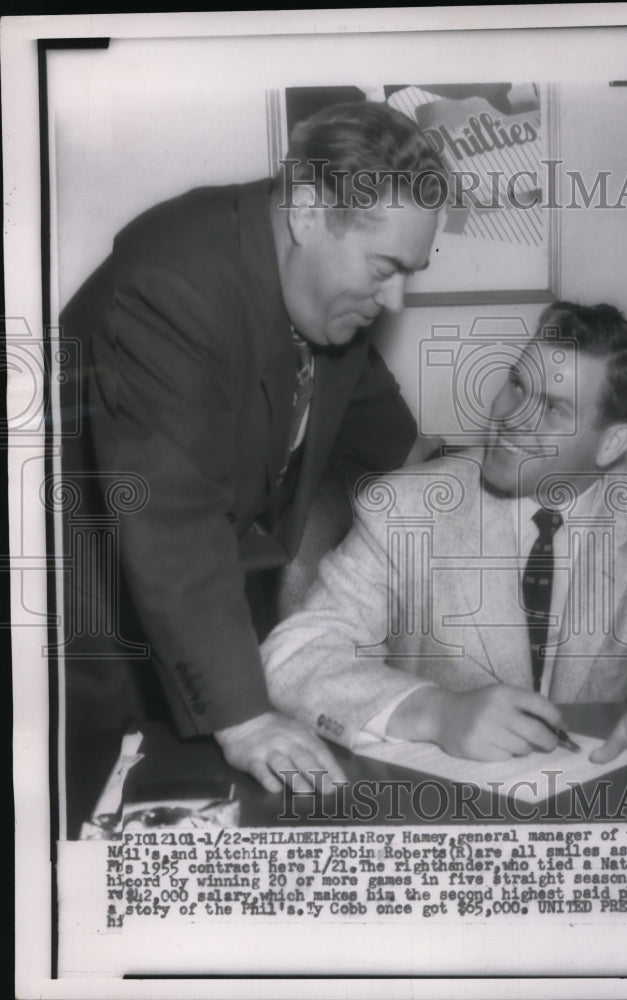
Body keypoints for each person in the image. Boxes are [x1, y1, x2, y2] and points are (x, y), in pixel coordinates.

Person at [59, 101, 446, 798]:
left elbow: (394, 445)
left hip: (203, 619)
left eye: (410, 272)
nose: (395, 303)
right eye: (385, 267)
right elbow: (173, 524)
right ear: (306, 211)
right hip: (79, 628)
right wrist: (243, 721)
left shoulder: (326, 305)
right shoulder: (174, 282)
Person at [262, 301, 627, 787]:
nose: (513, 415)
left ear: (611, 444)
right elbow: (295, 655)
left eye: (553, 408)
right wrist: (435, 711)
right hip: (436, 803)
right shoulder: (404, 507)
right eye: (518, 384)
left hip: (594, 798)